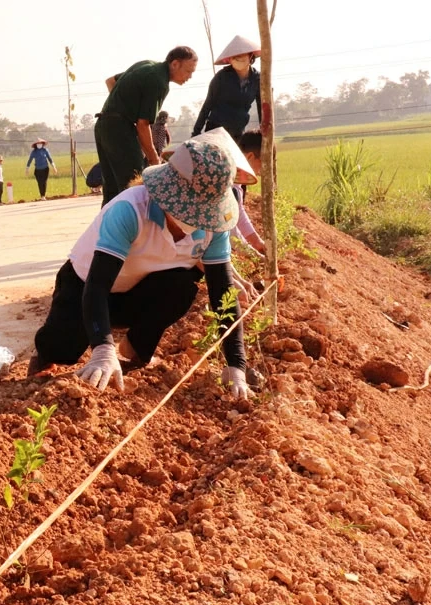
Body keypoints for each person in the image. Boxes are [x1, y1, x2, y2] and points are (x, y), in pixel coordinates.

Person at [28, 130, 255, 400]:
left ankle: (135, 351)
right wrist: (102, 349)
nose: (198, 219)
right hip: (84, 287)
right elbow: (97, 285)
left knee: (182, 286)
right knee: (61, 349)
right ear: (170, 194)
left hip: (137, 290)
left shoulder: (213, 227)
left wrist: (236, 366)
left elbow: (223, 295)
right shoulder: (130, 211)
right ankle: (47, 357)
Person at [95, 46, 199, 207]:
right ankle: (134, 229)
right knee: (135, 185)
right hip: (119, 130)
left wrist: (123, 107)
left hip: (103, 125)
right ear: (175, 64)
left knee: (113, 189)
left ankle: (104, 229)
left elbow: (111, 81)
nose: (190, 76)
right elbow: (143, 125)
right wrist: (154, 160)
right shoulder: (159, 82)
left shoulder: (147, 65)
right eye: (188, 71)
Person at [192, 35, 262, 141]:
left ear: (250, 56)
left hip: (238, 131)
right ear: (230, 60)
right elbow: (207, 105)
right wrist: (196, 132)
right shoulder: (221, 77)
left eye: (242, 55)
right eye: (235, 57)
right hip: (216, 130)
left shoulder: (257, 79)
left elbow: (262, 106)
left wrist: (264, 129)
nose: (238, 59)